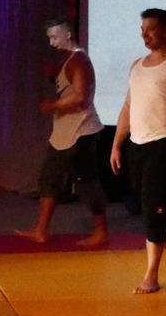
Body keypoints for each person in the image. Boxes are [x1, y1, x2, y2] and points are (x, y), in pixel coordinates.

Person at [110, 8, 166, 294]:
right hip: (137, 144)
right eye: (142, 30)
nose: (145, 35)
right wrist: (116, 144)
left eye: (150, 29)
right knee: (151, 205)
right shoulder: (137, 65)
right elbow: (128, 107)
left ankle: (151, 275)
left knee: (153, 208)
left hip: (164, 144)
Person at [16, 18, 109, 245]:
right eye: (49, 38)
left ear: (68, 34)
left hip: (82, 131)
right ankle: (41, 230)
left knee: (86, 183)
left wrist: (54, 105)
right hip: (63, 132)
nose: (52, 43)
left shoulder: (79, 59)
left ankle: (101, 231)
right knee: (49, 179)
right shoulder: (66, 59)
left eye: (55, 37)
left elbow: (80, 97)